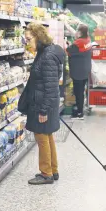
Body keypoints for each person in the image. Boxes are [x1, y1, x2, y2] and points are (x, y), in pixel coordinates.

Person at [22, 23, 65, 185]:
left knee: (41, 137)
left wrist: (43, 110)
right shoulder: (47, 52)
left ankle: (45, 174)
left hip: (42, 103)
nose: (27, 42)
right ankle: (53, 170)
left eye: (28, 39)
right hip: (44, 101)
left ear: (38, 37)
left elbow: (51, 86)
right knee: (47, 136)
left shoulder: (46, 57)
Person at [65, 24, 92, 120]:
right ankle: (80, 109)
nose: (75, 32)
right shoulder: (87, 40)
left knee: (78, 92)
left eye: (77, 31)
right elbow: (75, 45)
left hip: (78, 72)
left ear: (80, 33)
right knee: (81, 91)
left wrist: (66, 44)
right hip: (85, 70)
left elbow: (68, 51)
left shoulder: (78, 43)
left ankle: (80, 113)